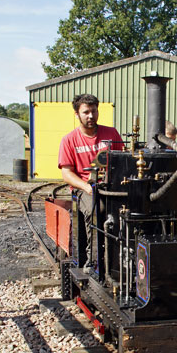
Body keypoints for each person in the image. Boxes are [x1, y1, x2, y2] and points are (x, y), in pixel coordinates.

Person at [58, 94, 123, 267]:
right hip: (84, 187)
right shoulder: (69, 140)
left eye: (94, 111)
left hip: (111, 185)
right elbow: (67, 173)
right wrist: (85, 186)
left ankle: (124, 255)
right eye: (86, 112)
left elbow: (123, 160)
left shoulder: (111, 133)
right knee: (98, 208)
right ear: (77, 114)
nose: (91, 116)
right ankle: (93, 260)